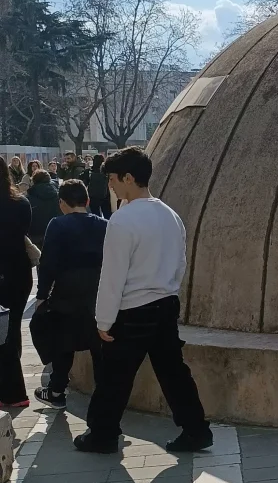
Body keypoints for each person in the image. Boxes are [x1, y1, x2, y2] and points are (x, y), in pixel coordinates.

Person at [76, 146, 212, 454]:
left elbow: (113, 276)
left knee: (115, 377)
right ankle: (196, 430)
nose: (109, 184)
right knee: (173, 372)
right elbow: (180, 262)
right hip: (165, 303)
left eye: (112, 178)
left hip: (133, 310)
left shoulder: (122, 221)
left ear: (127, 178)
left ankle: (102, 434)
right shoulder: (170, 215)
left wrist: (104, 320)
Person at [30, 180, 106, 409]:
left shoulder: (58, 225)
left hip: (66, 293)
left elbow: (48, 263)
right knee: (99, 347)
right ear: (88, 200)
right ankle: (105, 396)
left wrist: (42, 294)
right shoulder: (104, 225)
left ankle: (56, 391)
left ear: (61, 202)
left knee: (63, 343)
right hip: (97, 293)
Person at [0, 157, 31, 408]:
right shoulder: (21, 203)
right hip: (19, 274)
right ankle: (14, 391)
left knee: (4, 335)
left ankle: (12, 392)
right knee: (11, 330)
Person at [25, 171, 61, 247]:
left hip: (35, 236)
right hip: (57, 233)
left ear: (33, 181)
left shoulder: (28, 198)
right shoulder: (60, 196)